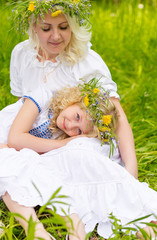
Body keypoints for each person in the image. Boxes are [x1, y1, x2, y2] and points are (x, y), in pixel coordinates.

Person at [9, 0, 138, 178]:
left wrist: (131, 169)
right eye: (46, 28)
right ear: (33, 27)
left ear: (73, 27)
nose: (56, 36)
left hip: (76, 136)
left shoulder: (84, 60)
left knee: (84, 149)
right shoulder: (21, 54)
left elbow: (118, 116)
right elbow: (17, 110)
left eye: (63, 27)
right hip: (41, 140)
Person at [0, 79, 119, 240]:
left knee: (39, 171)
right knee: (14, 159)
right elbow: (15, 140)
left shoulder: (60, 132)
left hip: (11, 166)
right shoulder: (42, 96)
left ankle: (73, 230)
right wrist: (62, 144)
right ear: (75, 100)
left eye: (78, 130)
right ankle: (37, 232)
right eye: (77, 116)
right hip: (6, 153)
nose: (71, 126)